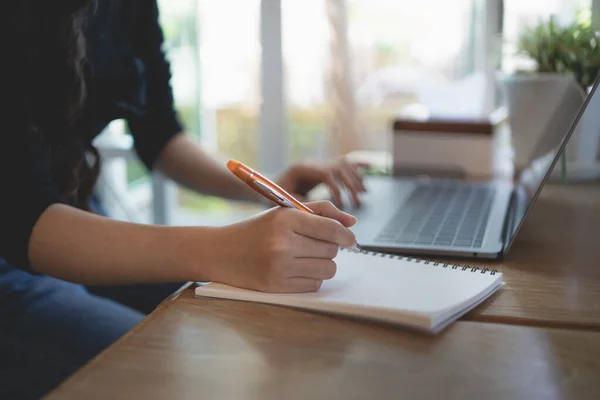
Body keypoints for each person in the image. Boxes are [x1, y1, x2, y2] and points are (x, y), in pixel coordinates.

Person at [0, 1, 366, 398]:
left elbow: (160, 135)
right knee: (183, 363)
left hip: (73, 215)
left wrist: (266, 186)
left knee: (247, 323)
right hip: (23, 252)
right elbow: (25, 220)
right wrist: (224, 250)